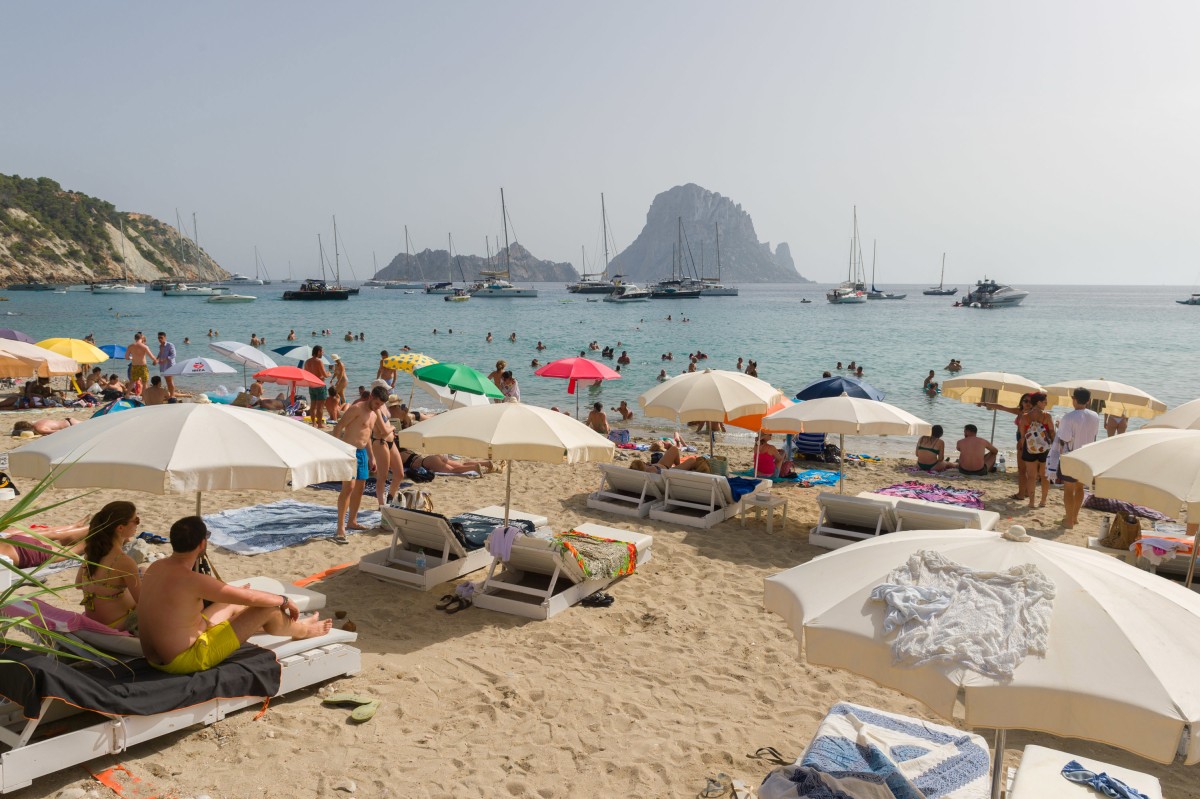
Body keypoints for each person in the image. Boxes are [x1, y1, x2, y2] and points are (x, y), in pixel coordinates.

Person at [139, 516, 332, 674]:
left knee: (230, 604)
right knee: (269, 610)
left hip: (154, 657)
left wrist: (240, 595)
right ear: (202, 544)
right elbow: (252, 599)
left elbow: (237, 596)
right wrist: (285, 600)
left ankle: (293, 626)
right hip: (185, 660)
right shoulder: (192, 580)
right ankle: (304, 631)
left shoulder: (155, 567)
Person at [330, 386, 388, 542]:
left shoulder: (374, 415)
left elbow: (367, 436)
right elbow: (339, 426)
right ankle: (340, 527)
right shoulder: (356, 409)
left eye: (381, 405)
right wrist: (336, 449)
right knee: (348, 487)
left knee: (360, 487)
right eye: (376, 403)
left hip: (362, 453)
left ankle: (352, 521)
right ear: (371, 397)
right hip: (348, 451)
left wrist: (371, 457)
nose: (378, 407)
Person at [75, 501, 141, 631]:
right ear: (120, 528)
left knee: (143, 571)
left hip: (93, 621)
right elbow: (143, 602)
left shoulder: (92, 553)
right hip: (117, 624)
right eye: (136, 520)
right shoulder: (124, 561)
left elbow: (78, 584)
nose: (137, 524)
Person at [1056, 387, 1101, 528]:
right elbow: (1094, 434)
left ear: (1073, 399)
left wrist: (1059, 426)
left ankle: (1069, 520)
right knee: (1080, 487)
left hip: (1072, 455)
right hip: (1087, 455)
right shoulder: (1095, 416)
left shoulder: (1069, 417)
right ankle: (1075, 517)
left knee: (1069, 489)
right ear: (1088, 401)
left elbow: (1065, 438)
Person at [0, 515, 91, 572]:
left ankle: (87, 529)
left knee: (76, 549)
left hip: (17, 551)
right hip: (8, 541)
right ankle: (80, 530)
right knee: (49, 532)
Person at [1021, 393, 1056, 509]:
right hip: (1044, 448)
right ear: (1038, 402)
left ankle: (1031, 502)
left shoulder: (1025, 417)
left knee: (1031, 476)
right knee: (1044, 476)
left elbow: (1022, 435)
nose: (1046, 404)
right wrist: (1054, 445)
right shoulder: (1046, 416)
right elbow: (1052, 432)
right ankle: (1043, 501)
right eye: (1044, 402)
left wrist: (1025, 447)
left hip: (1029, 448)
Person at [369, 398, 403, 510]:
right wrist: (393, 427)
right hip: (380, 442)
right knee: (382, 476)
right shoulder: (376, 408)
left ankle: (389, 500)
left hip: (390, 441)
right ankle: (381, 506)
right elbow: (383, 430)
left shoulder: (384, 405)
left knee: (399, 474)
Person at [399, 448, 492, 475]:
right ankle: (486, 463)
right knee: (461, 464)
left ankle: (474, 468)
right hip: (433, 457)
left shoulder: (399, 455)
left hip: (427, 462)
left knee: (452, 470)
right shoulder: (407, 450)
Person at [304, 345, 330, 428]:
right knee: (320, 407)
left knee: (313, 406)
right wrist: (328, 374)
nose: (323, 353)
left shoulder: (307, 362)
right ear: (318, 352)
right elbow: (324, 375)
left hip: (311, 385)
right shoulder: (319, 362)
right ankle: (319, 424)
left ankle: (313, 423)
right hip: (320, 385)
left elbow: (306, 374)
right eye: (322, 351)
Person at [327, 354, 347, 422]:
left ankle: (338, 407)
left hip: (343, 380)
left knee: (336, 393)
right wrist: (332, 379)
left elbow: (341, 373)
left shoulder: (341, 364)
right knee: (341, 394)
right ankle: (341, 408)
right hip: (340, 380)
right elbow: (336, 373)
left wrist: (338, 381)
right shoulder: (336, 365)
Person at [156, 332, 177, 397]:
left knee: (170, 381)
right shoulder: (160, 346)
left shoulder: (170, 345)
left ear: (165, 337)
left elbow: (174, 355)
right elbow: (160, 354)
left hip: (170, 365)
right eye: (158, 338)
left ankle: (172, 396)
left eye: (161, 338)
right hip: (163, 366)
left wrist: (165, 359)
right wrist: (156, 359)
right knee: (167, 381)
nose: (160, 339)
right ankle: (171, 395)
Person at [13, 418, 78, 436]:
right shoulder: (36, 423)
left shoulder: (39, 429)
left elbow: (58, 432)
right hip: (68, 421)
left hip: (71, 425)